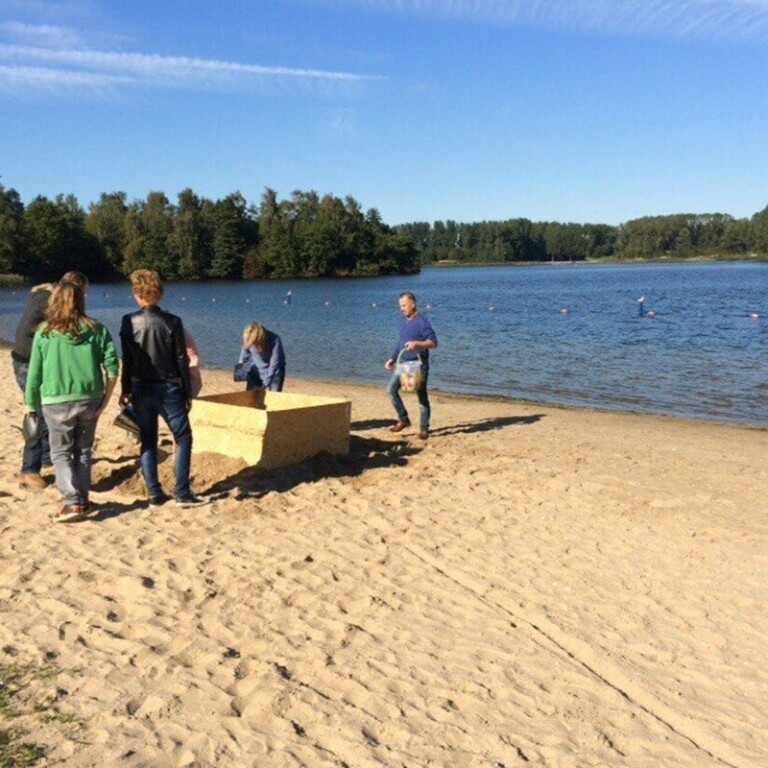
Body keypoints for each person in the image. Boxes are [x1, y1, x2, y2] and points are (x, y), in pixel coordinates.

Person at [24, 280, 118, 522]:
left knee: (61, 453)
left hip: (56, 400)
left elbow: (35, 374)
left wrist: (30, 405)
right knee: (83, 452)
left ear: (54, 301)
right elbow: (112, 367)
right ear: (81, 300)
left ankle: (72, 501)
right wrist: (105, 400)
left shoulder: (44, 332)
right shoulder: (97, 329)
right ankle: (82, 499)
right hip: (90, 398)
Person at [119, 270, 203, 508]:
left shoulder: (129, 321)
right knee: (183, 437)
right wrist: (187, 391)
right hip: (168, 386)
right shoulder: (173, 321)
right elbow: (180, 360)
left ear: (137, 293)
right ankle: (182, 492)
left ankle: (155, 492)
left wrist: (125, 389)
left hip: (141, 387)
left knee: (148, 439)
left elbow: (128, 359)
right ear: (159, 293)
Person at [11, 270, 90, 489]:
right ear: (73, 290)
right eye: (83, 293)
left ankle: (47, 458)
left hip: (30, 358)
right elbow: (49, 329)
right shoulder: (49, 301)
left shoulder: (47, 295)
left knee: (46, 410)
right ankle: (29, 469)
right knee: (37, 412)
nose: (83, 299)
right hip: (27, 361)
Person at [384, 291, 438, 440]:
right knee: (390, 390)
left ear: (413, 304)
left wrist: (417, 344)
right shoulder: (402, 320)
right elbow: (400, 342)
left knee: (421, 396)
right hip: (403, 363)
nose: (402, 308)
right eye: (400, 306)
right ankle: (404, 419)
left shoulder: (422, 321)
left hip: (419, 364)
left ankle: (424, 428)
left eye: (404, 305)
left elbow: (433, 343)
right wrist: (392, 358)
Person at [234, 322, 286, 392]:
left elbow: (274, 364)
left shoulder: (275, 339)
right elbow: (245, 348)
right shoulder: (249, 336)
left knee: (273, 399)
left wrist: (265, 384)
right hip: (256, 371)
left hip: (275, 374)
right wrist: (241, 363)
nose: (253, 344)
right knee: (251, 397)